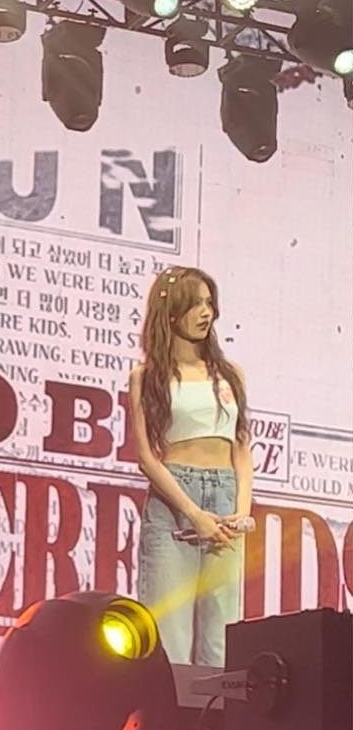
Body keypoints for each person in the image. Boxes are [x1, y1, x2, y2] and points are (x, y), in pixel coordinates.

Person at [128, 265, 253, 668]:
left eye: (209, 303)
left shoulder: (230, 375)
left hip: (225, 500)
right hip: (174, 500)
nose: (206, 313)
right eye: (195, 304)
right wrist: (193, 513)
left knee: (221, 634)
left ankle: (216, 713)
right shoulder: (147, 377)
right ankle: (167, 711)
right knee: (170, 635)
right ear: (170, 314)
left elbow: (241, 447)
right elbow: (147, 458)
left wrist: (242, 511)